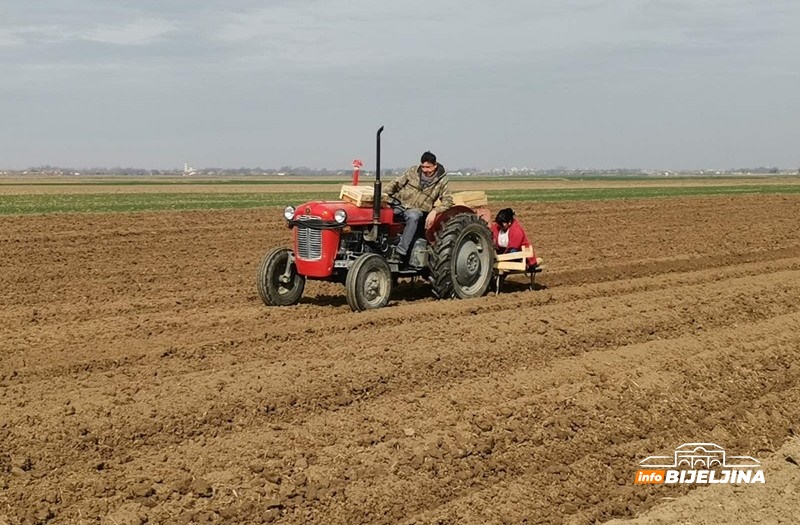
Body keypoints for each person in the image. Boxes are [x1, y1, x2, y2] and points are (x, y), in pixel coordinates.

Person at [385, 151, 454, 262]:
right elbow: (396, 183)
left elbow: (448, 201)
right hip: (400, 204)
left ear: (435, 166)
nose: (425, 170)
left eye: (428, 167)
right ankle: (383, 245)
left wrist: (435, 211)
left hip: (419, 210)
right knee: (384, 214)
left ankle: (400, 252)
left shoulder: (441, 180)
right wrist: (384, 196)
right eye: (423, 167)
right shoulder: (413, 171)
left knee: (413, 216)